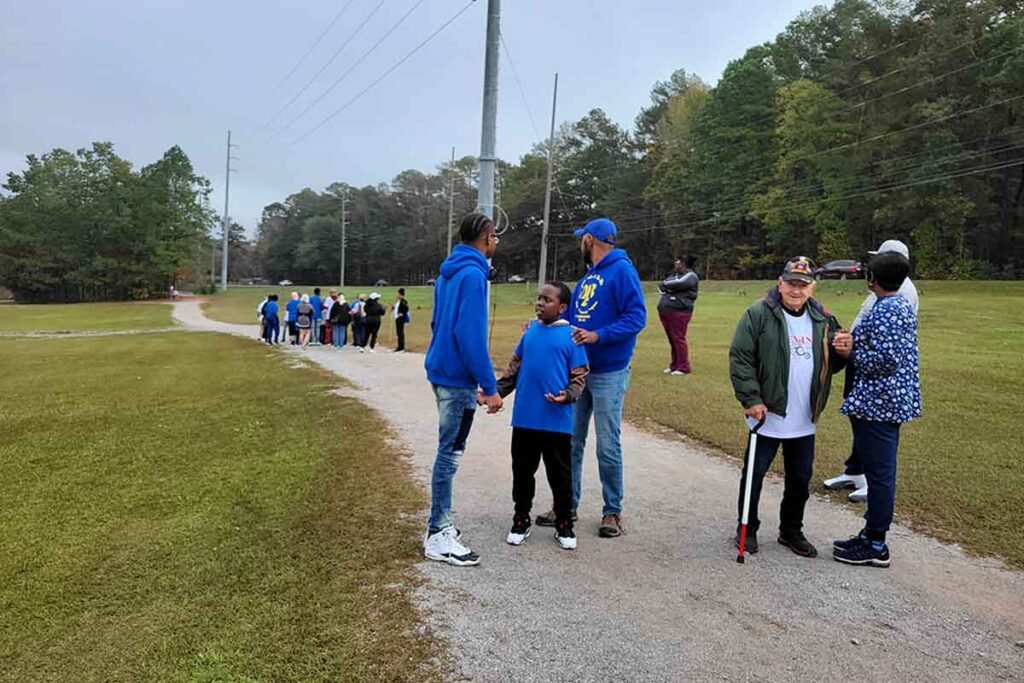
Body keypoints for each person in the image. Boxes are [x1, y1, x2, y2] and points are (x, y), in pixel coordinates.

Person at [728, 256, 848, 558]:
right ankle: (747, 528)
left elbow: (831, 365)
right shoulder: (758, 314)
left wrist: (843, 353)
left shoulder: (823, 318)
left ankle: (791, 530)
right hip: (767, 415)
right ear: (780, 283)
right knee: (754, 475)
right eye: (791, 283)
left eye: (803, 285)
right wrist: (751, 399)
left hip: (804, 417)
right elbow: (741, 358)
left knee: (800, 479)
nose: (796, 290)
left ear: (812, 287)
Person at [535, 217, 646, 539]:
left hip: (609, 370)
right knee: (570, 440)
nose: (579, 243)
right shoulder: (588, 278)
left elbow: (637, 317)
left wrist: (599, 336)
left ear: (590, 240)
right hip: (580, 371)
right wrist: (542, 324)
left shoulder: (622, 271)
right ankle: (566, 505)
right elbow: (570, 318)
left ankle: (612, 511)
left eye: (582, 238)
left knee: (607, 444)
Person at [831, 251, 921, 568]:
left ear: (872, 279)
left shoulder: (887, 310)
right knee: (878, 471)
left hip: (879, 404)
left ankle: (876, 543)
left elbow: (885, 361)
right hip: (883, 401)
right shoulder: (897, 305)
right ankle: (869, 533)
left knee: (880, 475)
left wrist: (850, 351)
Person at [423, 213, 502, 566]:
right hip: (457, 379)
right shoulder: (472, 275)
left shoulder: (448, 273)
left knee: (448, 450)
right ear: (486, 236)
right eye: (495, 236)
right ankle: (438, 532)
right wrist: (489, 386)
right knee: (450, 454)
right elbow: (470, 337)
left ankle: (440, 526)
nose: (496, 242)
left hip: (442, 370)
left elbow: (436, 322)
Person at [492, 281, 589, 550]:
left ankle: (564, 523)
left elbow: (579, 377)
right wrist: (494, 393)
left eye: (547, 300)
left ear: (563, 307)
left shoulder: (572, 337)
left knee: (560, 476)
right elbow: (513, 371)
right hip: (525, 418)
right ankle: (521, 518)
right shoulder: (530, 333)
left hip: (556, 421)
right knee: (523, 472)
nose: (540, 303)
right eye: (539, 299)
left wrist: (566, 396)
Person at [657, 256, 699, 375]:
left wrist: (668, 286)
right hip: (666, 310)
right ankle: (674, 364)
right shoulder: (674, 275)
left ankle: (683, 367)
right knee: (672, 339)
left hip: (679, 311)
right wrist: (669, 286)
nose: (676, 264)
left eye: (679, 262)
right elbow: (662, 286)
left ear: (685, 264)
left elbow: (678, 284)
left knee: (678, 338)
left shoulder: (691, 276)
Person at [394, 288, 410, 352]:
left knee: (400, 333)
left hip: (400, 319)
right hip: (397, 318)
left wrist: (402, 313)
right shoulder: (399, 301)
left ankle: (401, 347)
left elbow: (406, 308)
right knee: (398, 332)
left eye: (398, 294)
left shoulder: (403, 302)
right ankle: (399, 346)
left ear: (401, 295)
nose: (397, 295)